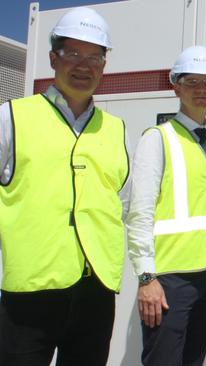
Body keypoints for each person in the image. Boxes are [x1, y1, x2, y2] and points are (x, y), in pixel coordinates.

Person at [0, 7, 129, 366]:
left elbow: (123, 204)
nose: (83, 65)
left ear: (104, 66)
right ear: (53, 59)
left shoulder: (117, 130)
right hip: (29, 292)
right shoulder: (11, 117)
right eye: (73, 54)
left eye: (94, 57)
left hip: (95, 290)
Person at [126, 45, 206, 366]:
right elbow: (139, 213)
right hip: (170, 280)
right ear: (176, 85)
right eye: (192, 82)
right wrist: (147, 278)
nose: (201, 90)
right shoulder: (157, 139)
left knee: (194, 361)